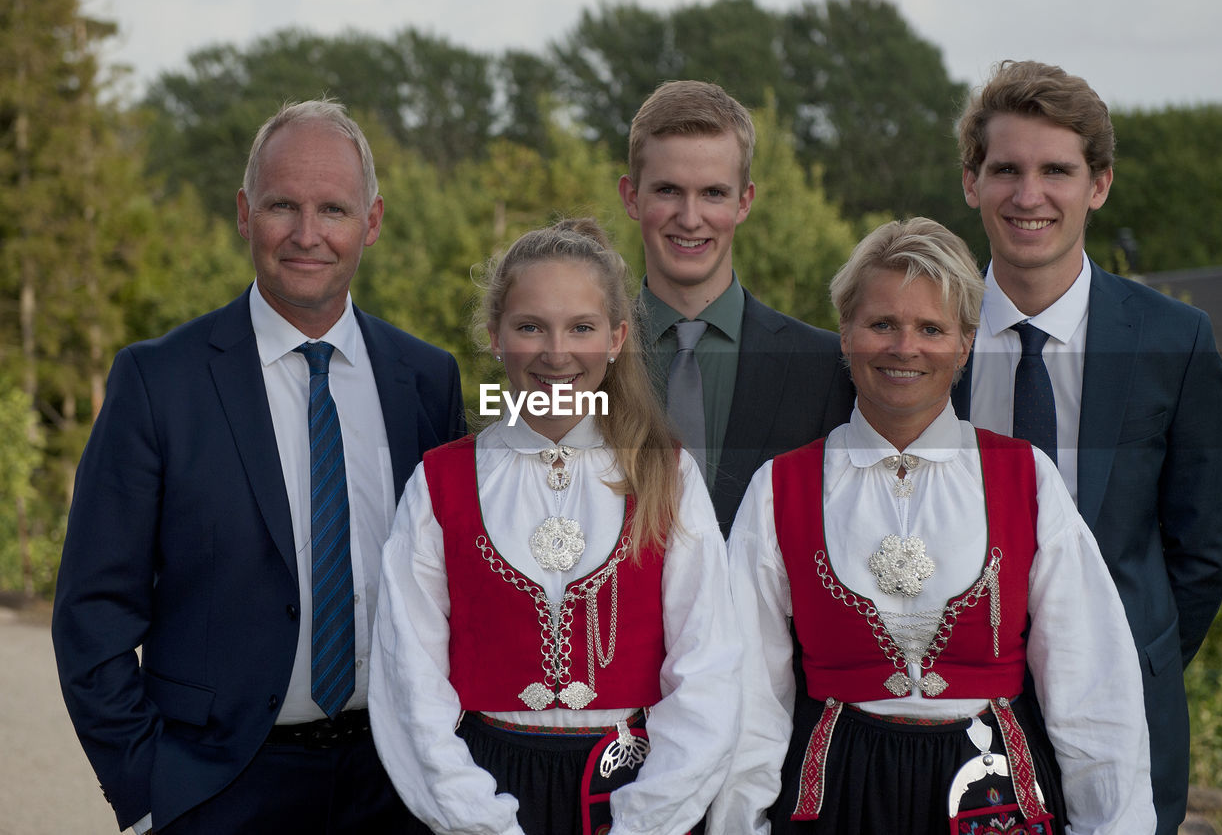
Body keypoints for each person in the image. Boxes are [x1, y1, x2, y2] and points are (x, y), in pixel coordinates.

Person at [51, 98, 466, 834]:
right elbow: (93, 609)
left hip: (396, 788)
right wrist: (147, 792)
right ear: (246, 213)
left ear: (370, 222)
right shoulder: (159, 382)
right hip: (218, 791)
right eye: (282, 206)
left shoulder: (427, 381)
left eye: (333, 209)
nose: (307, 235)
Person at [711, 218, 1155, 834]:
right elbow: (748, 694)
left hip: (991, 793)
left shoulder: (1027, 479)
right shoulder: (778, 489)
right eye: (882, 324)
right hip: (839, 794)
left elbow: (1092, 683)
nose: (904, 347)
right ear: (845, 333)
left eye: (931, 328)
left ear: (966, 343)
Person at [369, 218, 741, 835]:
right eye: (530, 326)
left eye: (582, 328)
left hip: (633, 788)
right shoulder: (441, 483)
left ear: (617, 338)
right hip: (481, 788)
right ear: (494, 336)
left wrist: (645, 820)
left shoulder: (667, 476)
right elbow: (408, 678)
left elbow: (709, 671)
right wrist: (476, 820)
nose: (556, 352)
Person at [952, 60, 1222, 834]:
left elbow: (1204, 550)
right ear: (972, 182)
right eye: (1006, 169)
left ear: (1099, 184)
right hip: (948, 732)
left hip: (1126, 732)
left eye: (1057, 170)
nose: (1029, 194)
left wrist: (1122, 668)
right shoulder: (920, 336)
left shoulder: (1174, 341)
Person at [617, 80, 854, 535]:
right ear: (632, 197)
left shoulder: (825, 369)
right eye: (667, 190)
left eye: (713, 193)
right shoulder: (582, 362)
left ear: (744, 201)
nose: (689, 218)